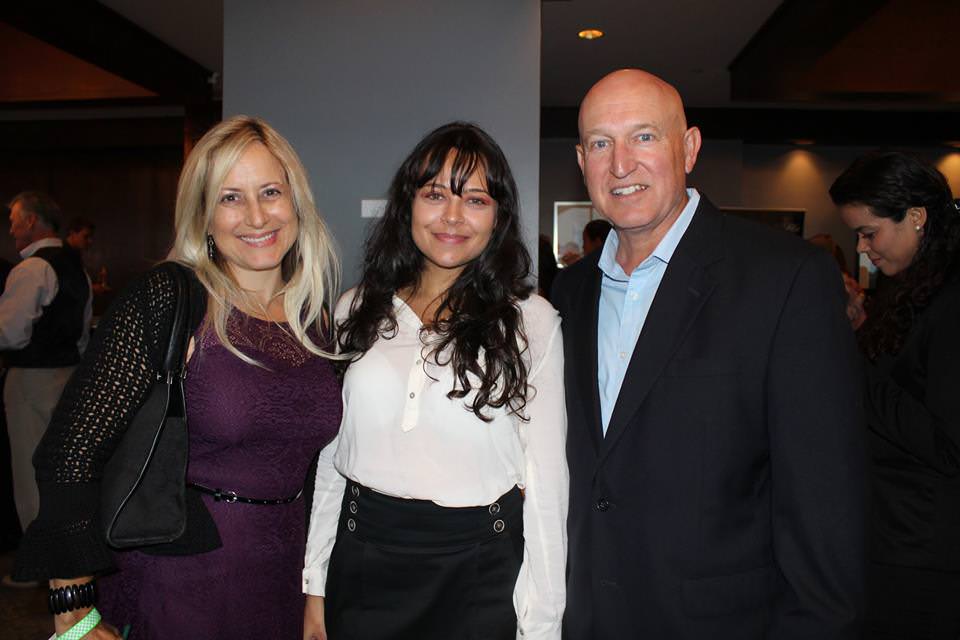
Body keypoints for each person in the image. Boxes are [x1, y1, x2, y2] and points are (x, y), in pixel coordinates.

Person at [552, 68, 866, 638]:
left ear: (689, 148)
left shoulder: (785, 279)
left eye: (644, 136)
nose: (621, 164)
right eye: (600, 143)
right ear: (581, 161)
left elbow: (824, 505)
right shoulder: (569, 292)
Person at [12, 115, 343, 639]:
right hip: (182, 579)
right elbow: (70, 452)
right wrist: (73, 608)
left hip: (285, 576)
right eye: (230, 197)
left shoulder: (316, 319)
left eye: (270, 192)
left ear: (296, 202)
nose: (257, 216)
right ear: (203, 215)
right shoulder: (171, 298)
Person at [303, 122, 567, 640]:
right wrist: (316, 582)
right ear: (408, 205)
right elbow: (334, 456)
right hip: (362, 562)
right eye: (435, 194)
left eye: (475, 199)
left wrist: (542, 625)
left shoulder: (531, 321)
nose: (452, 215)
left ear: (499, 215)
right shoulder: (356, 308)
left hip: (479, 572)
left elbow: (548, 487)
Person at [830, 151, 960, 640]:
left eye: (870, 233)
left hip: (925, 554)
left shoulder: (951, 300)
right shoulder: (911, 287)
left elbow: (947, 444)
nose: (863, 249)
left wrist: (852, 360)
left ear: (917, 216)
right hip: (896, 539)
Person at [1, 192, 92, 583]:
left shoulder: (31, 268)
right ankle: (66, 559)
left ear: (32, 222)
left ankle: (40, 566)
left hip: (31, 379)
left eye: (14, 221)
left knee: (30, 473)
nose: (11, 230)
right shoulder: (77, 269)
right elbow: (83, 333)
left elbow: (10, 333)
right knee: (62, 473)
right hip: (68, 376)